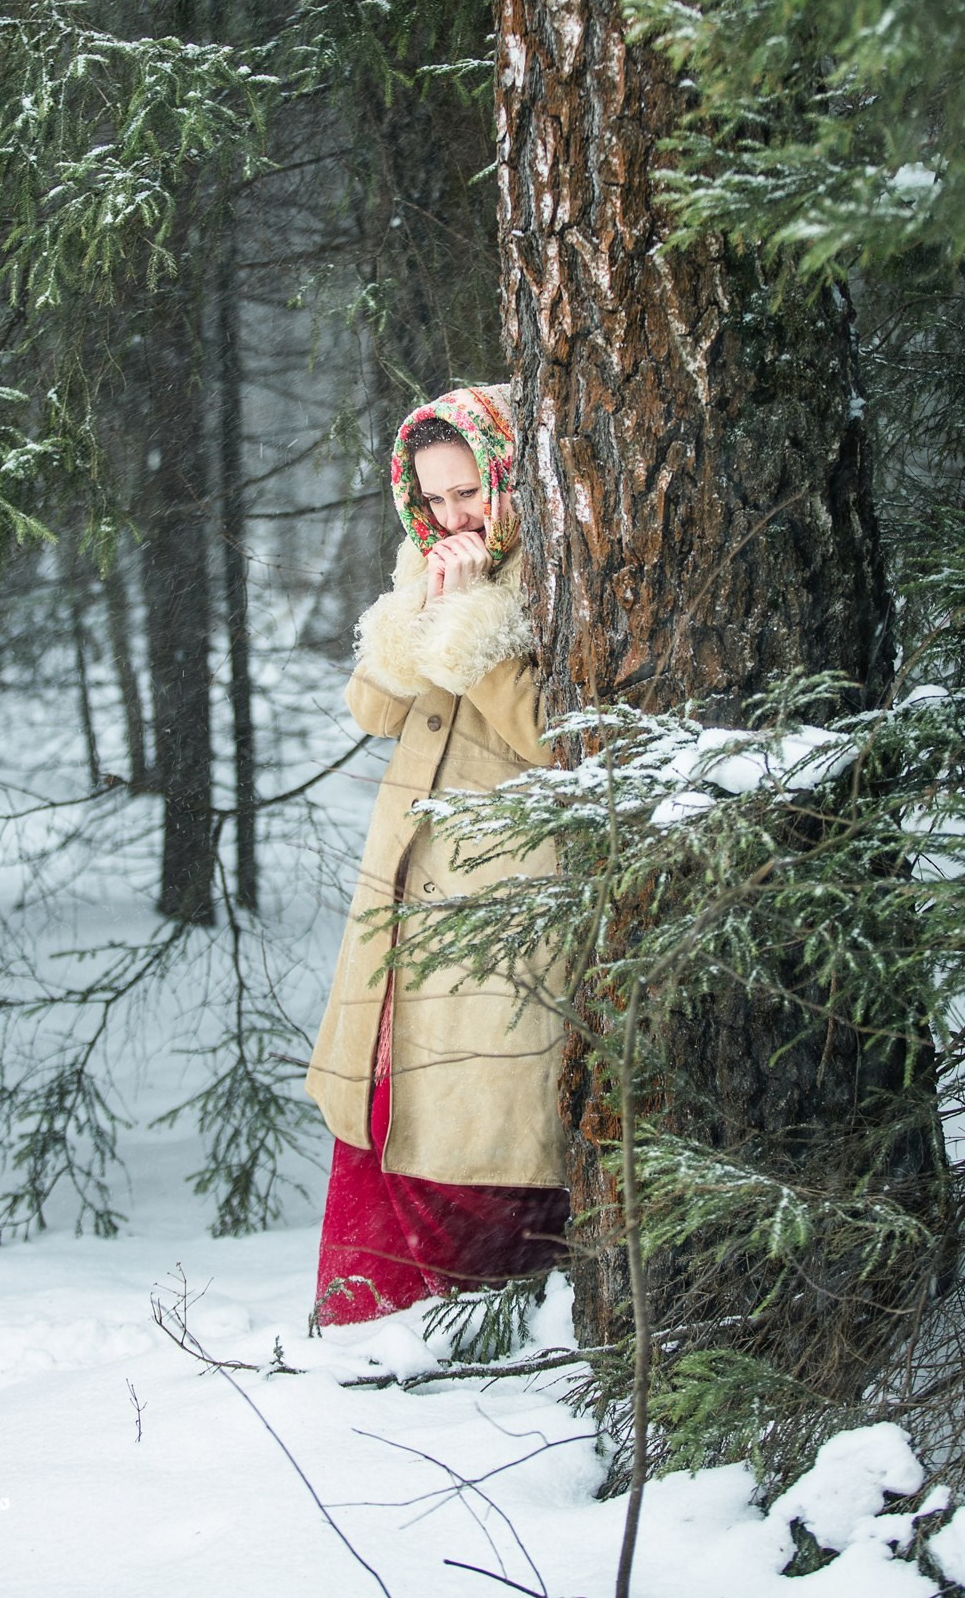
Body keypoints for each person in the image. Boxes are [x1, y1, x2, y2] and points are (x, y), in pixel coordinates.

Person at [306, 383, 569, 1326]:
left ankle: (472, 1323)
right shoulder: (434, 567)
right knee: (391, 1098)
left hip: (502, 892)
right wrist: (425, 608)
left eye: (471, 492)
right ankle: (367, 1321)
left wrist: (478, 638)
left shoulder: (556, 573)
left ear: (511, 476)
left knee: (480, 1111)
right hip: (408, 886)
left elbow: (559, 743)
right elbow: (371, 709)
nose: (454, 517)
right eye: (435, 498)